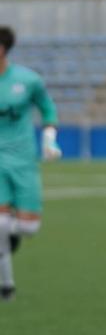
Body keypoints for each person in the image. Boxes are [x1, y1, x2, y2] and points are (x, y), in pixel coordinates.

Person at [0, 26, 62, 302]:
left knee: (28, 229)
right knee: (0, 225)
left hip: (24, 160)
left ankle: (10, 228)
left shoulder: (28, 80)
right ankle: (7, 285)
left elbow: (48, 108)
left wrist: (50, 140)